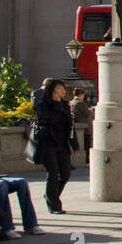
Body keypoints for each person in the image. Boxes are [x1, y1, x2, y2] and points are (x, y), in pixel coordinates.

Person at [31, 77, 79, 212]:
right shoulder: (43, 105)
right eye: (58, 89)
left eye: (62, 89)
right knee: (52, 174)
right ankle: (54, 205)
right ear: (52, 90)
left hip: (62, 143)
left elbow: (70, 126)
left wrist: (74, 144)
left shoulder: (66, 105)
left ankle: (51, 196)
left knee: (65, 173)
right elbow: (48, 120)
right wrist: (57, 105)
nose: (61, 91)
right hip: (48, 143)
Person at [70, 88, 94, 162]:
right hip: (85, 125)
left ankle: (86, 159)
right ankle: (87, 159)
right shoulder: (80, 103)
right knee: (87, 144)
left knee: (85, 143)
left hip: (79, 123)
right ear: (81, 95)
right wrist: (91, 111)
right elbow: (87, 113)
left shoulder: (72, 102)